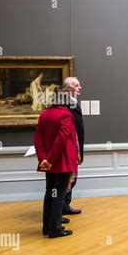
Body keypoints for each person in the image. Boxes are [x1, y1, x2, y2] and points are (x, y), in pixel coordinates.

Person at [34, 88, 78, 238]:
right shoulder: (65, 114)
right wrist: (51, 159)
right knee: (59, 194)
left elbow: (37, 138)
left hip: (48, 162)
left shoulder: (44, 114)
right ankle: (55, 229)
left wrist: (44, 159)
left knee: (49, 193)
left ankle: (47, 226)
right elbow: (62, 139)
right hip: (61, 161)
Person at [62, 77, 84, 216]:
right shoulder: (65, 105)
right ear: (68, 88)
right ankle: (61, 208)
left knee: (73, 177)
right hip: (69, 148)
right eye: (76, 85)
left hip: (75, 146)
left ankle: (65, 205)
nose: (80, 87)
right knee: (67, 179)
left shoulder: (74, 103)